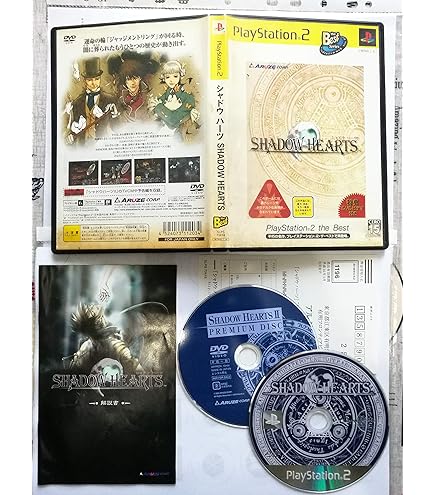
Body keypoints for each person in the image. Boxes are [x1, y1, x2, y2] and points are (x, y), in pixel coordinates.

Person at [68, 302, 144, 376]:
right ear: (101, 323)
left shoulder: (84, 348)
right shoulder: (116, 346)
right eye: (104, 317)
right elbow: (139, 373)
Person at [64, 57, 119, 144]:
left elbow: (117, 128)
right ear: (84, 81)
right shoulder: (77, 102)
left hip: (103, 145)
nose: (94, 83)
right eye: (90, 80)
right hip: (83, 146)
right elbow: (75, 128)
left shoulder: (110, 100)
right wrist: (71, 136)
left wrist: (115, 115)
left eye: (97, 79)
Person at [148, 60, 200, 134]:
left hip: (179, 133)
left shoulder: (188, 98)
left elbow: (173, 121)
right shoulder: (167, 94)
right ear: (164, 78)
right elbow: (154, 107)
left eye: (175, 76)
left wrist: (158, 107)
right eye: (167, 77)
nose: (171, 80)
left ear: (180, 76)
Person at [108, 50, 160, 123]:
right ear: (125, 81)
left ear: (140, 78)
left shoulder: (147, 96)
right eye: (129, 79)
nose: (133, 83)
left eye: (135, 78)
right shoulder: (121, 97)